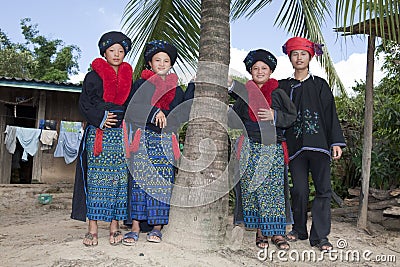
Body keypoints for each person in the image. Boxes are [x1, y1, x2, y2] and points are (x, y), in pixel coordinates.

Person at [123, 40, 194, 245]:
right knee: (139, 185)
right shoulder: (141, 84)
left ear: (171, 64)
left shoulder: (176, 90)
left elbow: (182, 112)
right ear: (150, 64)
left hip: (165, 143)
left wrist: (192, 86)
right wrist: (155, 111)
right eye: (157, 60)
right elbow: (132, 109)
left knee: (162, 185)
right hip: (143, 139)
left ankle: (157, 228)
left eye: (166, 60)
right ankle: (135, 227)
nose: (162, 64)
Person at [279, 37, 346, 251]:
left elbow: (330, 115)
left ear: (310, 57)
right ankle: (299, 229)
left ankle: (320, 237)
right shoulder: (282, 86)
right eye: (295, 54)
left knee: (323, 190)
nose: (299, 58)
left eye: (303, 54)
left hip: (319, 146)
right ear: (290, 57)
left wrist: (335, 142)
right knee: (298, 190)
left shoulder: (320, 85)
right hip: (295, 146)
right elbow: (274, 114)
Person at [228, 49, 297, 250]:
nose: (259, 71)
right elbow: (235, 120)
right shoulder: (244, 94)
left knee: (274, 191)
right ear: (250, 71)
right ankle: (260, 233)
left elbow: (292, 116)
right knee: (254, 190)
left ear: (270, 71)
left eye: (263, 68)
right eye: (255, 68)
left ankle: (276, 233)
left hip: (272, 148)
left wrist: (275, 115)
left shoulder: (278, 92)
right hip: (250, 147)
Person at [70, 31, 134, 246]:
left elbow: (133, 107)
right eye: (112, 50)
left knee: (118, 182)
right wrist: (101, 118)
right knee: (96, 181)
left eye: (121, 51)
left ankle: (114, 226)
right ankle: (92, 228)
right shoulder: (93, 76)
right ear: (104, 52)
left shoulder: (129, 79)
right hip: (98, 134)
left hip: (119, 136)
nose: (116, 54)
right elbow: (84, 104)